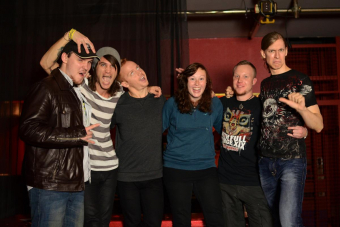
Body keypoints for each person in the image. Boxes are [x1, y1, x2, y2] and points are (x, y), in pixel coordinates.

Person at [40, 29, 161, 227]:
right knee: (90, 220)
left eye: (113, 66)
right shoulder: (80, 87)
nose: (108, 69)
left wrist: (150, 89)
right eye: (103, 64)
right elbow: (45, 63)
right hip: (87, 169)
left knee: (104, 221)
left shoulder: (119, 94)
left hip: (111, 168)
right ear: (94, 67)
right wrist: (68, 36)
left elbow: (136, 86)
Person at [19, 40, 99, 227]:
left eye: (89, 62)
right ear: (64, 57)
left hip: (76, 183)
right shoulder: (46, 87)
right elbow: (28, 129)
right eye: (81, 60)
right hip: (50, 185)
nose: (86, 67)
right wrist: (75, 135)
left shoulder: (76, 90)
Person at [258, 31, 323, 227]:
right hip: (265, 162)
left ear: (286, 51)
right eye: (271, 51)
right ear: (263, 54)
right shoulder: (264, 84)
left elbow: (318, 125)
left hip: (292, 161)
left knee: (288, 222)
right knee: (277, 221)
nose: (276, 56)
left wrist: (302, 110)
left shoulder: (300, 80)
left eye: (280, 50)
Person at [162, 63, 224, 227]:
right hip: (176, 169)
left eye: (201, 79)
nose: (197, 83)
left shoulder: (215, 103)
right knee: (181, 219)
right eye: (192, 78)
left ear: (207, 82)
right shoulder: (172, 103)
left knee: (216, 217)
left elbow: (226, 130)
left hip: (206, 168)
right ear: (185, 81)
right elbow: (156, 130)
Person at [111, 59, 166, 227]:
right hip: (127, 178)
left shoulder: (159, 99)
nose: (141, 71)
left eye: (138, 67)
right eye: (132, 73)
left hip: (154, 176)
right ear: (125, 83)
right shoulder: (118, 104)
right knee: (131, 223)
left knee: (154, 223)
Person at [219, 60, 273, 226]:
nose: (240, 80)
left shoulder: (261, 105)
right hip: (225, 181)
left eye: (245, 76)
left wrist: (304, 131)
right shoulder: (222, 103)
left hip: (254, 181)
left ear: (254, 81)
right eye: (236, 76)